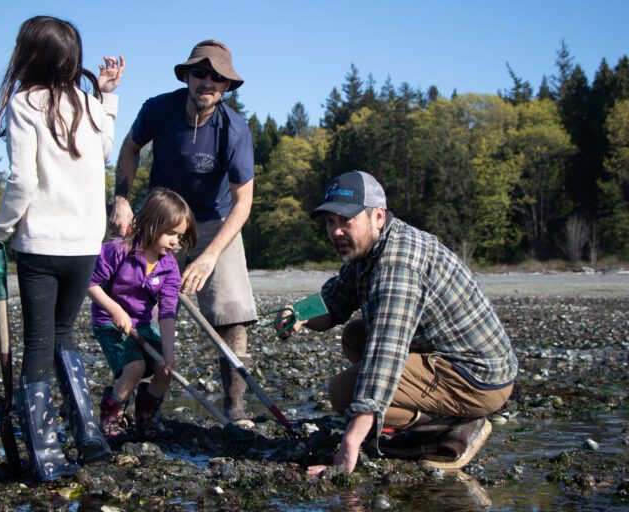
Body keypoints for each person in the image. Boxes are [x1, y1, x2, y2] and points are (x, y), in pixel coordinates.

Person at [274, 171, 518, 476]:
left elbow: (384, 357)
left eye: (345, 221)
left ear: (378, 216)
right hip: (447, 356)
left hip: (478, 376)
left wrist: (349, 445)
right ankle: (427, 417)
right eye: (330, 222)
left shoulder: (398, 263)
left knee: (344, 392)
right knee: (355, 335)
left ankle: (457, 426)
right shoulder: (368, 249)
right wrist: (298, 313)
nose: (336, 232)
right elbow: (334, 299)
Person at [0, 15, 125, 482]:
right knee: (63, 334)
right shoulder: (86, 102)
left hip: (41, 244)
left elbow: (22, 180)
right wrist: (105, 96)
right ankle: (87, 433)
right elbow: (104, 150)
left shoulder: (24, 103)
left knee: (40, 342)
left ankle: (45, 453)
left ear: (29, 56)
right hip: (85, 243)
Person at [109, 40, 258, 427]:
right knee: (137, 307)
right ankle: (134, 400)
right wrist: (122, 198)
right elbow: (129, 148)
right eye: (200, 73)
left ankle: (235, 408)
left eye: (217, 77)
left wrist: (209, 257)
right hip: (161, 218)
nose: (207, 82)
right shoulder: (158, 109)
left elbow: (243, 203)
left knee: (233, 314)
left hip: (215, 223)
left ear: (226, 86)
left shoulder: (235, 130)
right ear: (186, 76)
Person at [88, 188, 197, 441]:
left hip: (145, 324)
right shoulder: (118, 250)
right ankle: (111, 416)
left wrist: (168, 353)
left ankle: (145, 416)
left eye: (179, 237)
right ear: (151, 223)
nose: (175, 242)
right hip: (110, 323)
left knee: (164, 370)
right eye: (170, 233)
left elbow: (168, 312)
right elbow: (90, 283)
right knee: (135, 366)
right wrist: (115, 310)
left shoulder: (169, 266)